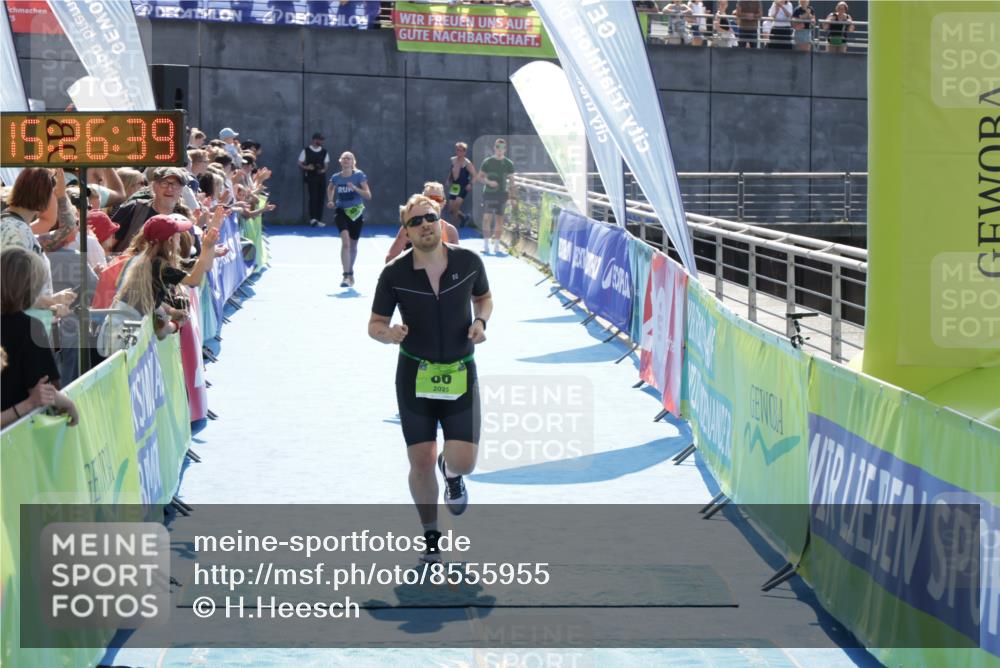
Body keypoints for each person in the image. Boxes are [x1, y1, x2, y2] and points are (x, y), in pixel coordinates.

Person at [368, 193, 492, 564]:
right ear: (405, 231)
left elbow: (484, 299)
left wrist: (481, 321)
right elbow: (374, 325)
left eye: (430, 218)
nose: (425, 225)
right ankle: (431, 534)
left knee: (465, 461)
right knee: (421, 460)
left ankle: (452, 474)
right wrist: (388, 334)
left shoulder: (468, 261)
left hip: (459, 372)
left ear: (440, 221)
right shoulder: (395, 273)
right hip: (414, 375)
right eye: (416, 221)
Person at [0, 247, 78, 428]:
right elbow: (46, 389)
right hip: (17, 438)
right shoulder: (29, 327)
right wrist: (69, 404)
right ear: (32, 288)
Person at [110, 167, 189, 253]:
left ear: (181, 190)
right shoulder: (134, 209)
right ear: (154, 186)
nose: (169, 189)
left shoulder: (184, 219)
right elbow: (106, 246)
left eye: (175, 184)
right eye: (164, 183)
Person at [384, 182, 460, 264]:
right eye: (429, 199)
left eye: (437, 199)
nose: (433, 203)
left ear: (443, 203)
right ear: (422, 201)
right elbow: (390, 259)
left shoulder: (450, 230)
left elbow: (457, 262)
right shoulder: (409, 228)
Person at [327, 151, 371, 288]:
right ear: (340, 161)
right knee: (345, 242)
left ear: (353, 162)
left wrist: (355, 188)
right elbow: (330, 189)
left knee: (353, 245)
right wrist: (330, 200)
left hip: (356, 213)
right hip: (341, 212)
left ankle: (351, 272)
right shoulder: (336, 177)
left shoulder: (359, 176)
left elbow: (368, 195)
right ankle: (346, 275)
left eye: (349, 158)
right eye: (344, 158)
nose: (346, 160)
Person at [477, 137, 516, 255]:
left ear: (505, 149)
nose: (500, 150)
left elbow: (512, 182)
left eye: (503, 148)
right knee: (486, 219)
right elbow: (480, 177)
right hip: (488, 194)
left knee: (499, 220)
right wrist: (489, 182)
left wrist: (513, 198)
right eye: (498, 147)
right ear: (494, 148)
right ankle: (486, 245)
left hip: (502, 195)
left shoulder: (509, 163)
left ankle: (497, 246)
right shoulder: (487, 161)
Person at [299, 132, 329, 227]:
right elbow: (300, 163)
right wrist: (307, 167)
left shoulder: (324, 151)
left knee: (321, 198)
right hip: (311, 177)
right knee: (313, 198)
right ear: (314, 140)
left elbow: (326, 164)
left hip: (321, 177)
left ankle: (319, 219)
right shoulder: (306, 151)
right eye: (320, 139)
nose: (321, 141)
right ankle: (313, 219)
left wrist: (323, 170)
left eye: (322, 140)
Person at [444, 142, 476, 226]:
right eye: (457, 150)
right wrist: (448, 179)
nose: (459, 152)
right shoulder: (453, 160)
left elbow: (475, 175)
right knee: (451, 209)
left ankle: (454, 227)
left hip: (463, 187)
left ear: (464, 152)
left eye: (461, 151)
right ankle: (464, 217)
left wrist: (471, 184)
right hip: (455, 186)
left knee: (455, 207)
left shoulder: (467, 163)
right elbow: (452, 171)